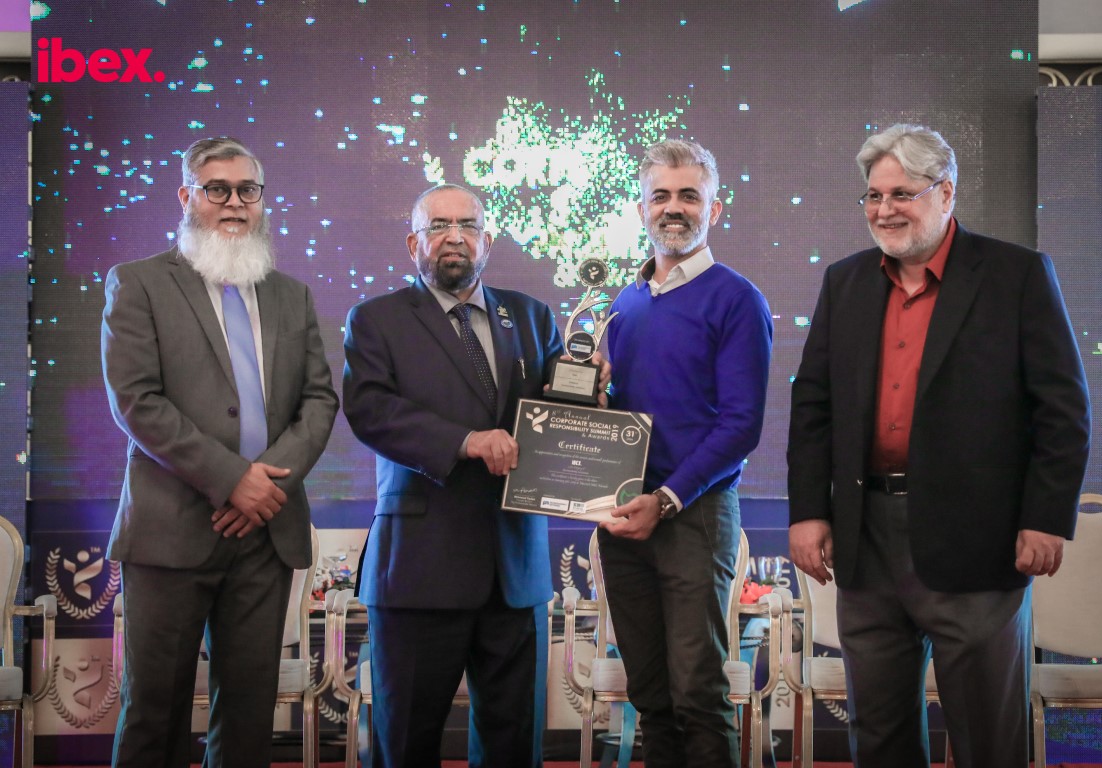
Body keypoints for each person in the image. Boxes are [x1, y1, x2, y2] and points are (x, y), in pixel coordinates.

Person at [787, 123, 1091, 768]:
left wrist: (1046, 517)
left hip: (979, 540)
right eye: (873, 196)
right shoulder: (845, 282)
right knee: (879, 735)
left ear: (946, 193)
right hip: (865, 540)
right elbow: (814, 406)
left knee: (987, 737)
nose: (884, 210)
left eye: (902, 193)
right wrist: (809, 511)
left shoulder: (1017, 274)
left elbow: (1063, 411)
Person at [342, 183, 608, 768]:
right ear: (413, 242)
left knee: (514, 748)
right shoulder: (377, 319)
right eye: (438, 226)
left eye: (467, 225)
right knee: (405, 745)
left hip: (515, 572)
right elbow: (371, 411)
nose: (454, 237)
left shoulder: (532, 316)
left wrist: (588, 394)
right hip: (418, 571)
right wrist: (466, 442)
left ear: (487, 241)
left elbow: (553, 416)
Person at [101, 136, 338, 767]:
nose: (234, 203)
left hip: (265, 532)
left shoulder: (291, 294)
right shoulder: (139, 283)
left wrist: (268, 487)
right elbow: (137, 402)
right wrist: (234, 479)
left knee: (249, 714)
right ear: (187, 196)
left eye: (247, 190)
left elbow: (319, 401)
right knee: (155, 710)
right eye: (217, 189)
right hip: (171, 530)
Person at [597, 139, 774, 768]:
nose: (674, 208)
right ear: (641, 209)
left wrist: (667, 499)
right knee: (650, 695)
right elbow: (617, 414)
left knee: (697, 695)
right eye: (661, 196)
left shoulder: (737, 298)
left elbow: (741, 426)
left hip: (693, 517)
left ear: (714, 209)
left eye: (689, 196)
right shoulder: (622, 303)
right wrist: (588, 398)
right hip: (623, 518)